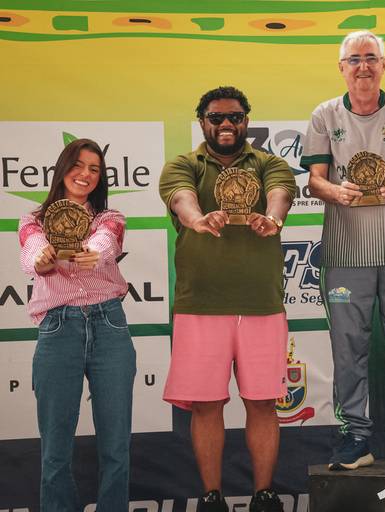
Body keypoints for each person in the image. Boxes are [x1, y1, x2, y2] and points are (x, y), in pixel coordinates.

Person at [301, 30, 385, 470]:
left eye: (371, 58)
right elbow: (314, 180)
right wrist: (335, 191)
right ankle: (355, 436)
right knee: (348, 350)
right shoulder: (324, 114)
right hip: (345, 256)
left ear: (384, 64)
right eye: (355, 59)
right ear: (342, 67)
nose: (363, 66)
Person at [159, 86, 295, 512]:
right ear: (202, 122)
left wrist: (273, 218)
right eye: (216, 117)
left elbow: (280, 193)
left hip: (261, 305)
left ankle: (264, 495)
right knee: (205, 405)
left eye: (234, 117)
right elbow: (181, 198)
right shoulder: (183, 164)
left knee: (263, 403)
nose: (226, 124)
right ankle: (211, 497)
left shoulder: (270, 163)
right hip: (201, 305)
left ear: (246, 121)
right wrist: (197, 219)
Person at [19, 138, 136, 512]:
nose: (85, 174)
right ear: (62, 169)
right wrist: (42, 258)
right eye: (78, 165)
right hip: (58, 329)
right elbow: (32, 251)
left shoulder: (109, 218)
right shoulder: (33, 221)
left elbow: (106, 242)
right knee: (55, 450)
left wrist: (93, 254)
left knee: (116, 447)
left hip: (109, 326)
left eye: (94, 169)